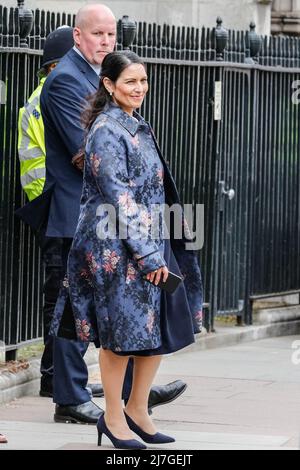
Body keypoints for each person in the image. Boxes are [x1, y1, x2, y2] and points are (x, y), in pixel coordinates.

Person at [39, 4, 188, 425]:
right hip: (78, 214)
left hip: (116, 218)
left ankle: (126, 395)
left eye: (111, 35)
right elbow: (88, 154)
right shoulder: (67, 79)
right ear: (77, 37)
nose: (106, 42)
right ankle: (70, 397)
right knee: (74, 310)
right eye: (97, 35)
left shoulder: (99, 75)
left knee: (119, 308)